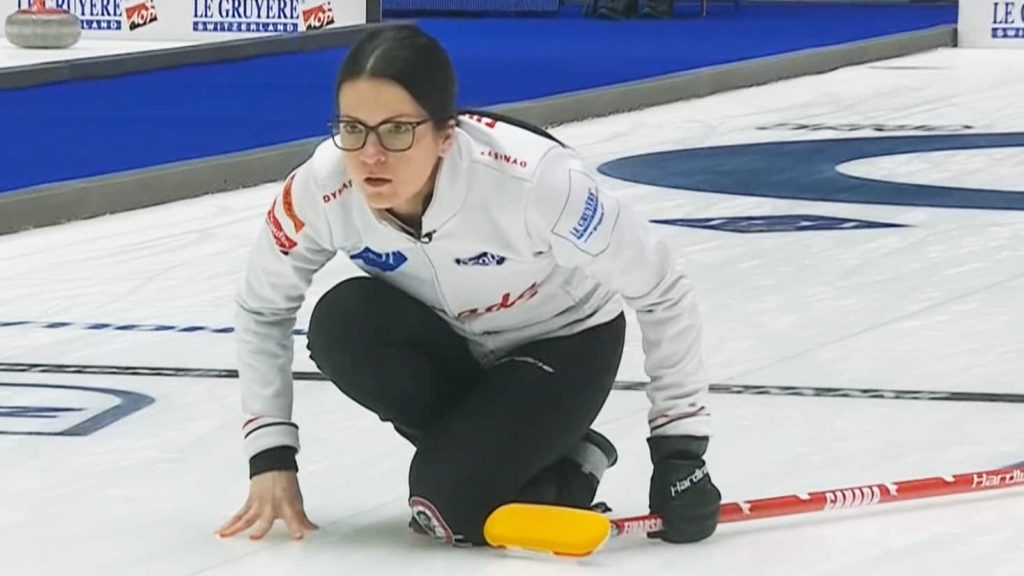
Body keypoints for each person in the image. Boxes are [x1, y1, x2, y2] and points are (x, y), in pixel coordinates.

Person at [216, 24, 721, 547]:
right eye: (352, 128)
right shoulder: (322, 187)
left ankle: (518, 457)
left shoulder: (536, 183)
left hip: (564, 344)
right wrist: (271, 454)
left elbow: (662, 287)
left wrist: (681, 454)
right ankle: (544, 454)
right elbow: (261, 307)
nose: (369, 155)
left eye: (396, 131)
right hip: (453, 342)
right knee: (343, 324)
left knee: (448, 506)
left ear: (446, 135)